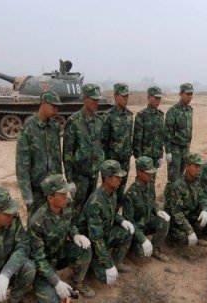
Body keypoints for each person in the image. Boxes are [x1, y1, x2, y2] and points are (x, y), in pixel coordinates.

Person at [28, 174, 95, 303]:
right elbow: (38, 259)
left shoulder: (67, 205)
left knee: (85, 248)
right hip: (44, 264)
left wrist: (76, 235)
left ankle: (78, 282)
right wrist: (56, 283)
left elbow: (70, 224)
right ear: (50, 198)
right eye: (62, 193)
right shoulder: (37, 222)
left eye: (66, 192)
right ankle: (55, 292)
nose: (66, 196)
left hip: (60, 252)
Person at [77, 160, 135, 285]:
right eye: (117, 177)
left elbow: (112, 214)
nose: (121, 180)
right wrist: (108, 265)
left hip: (105, 234)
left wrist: (122, 220)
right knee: (106, 279)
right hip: (91, 244)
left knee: (127, 231)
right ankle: (81, 278)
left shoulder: (111, 193)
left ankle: (116, 262)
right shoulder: (95, 202)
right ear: (107, 179)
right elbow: (96, 239)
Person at [16, 91, 64, 219]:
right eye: (53, 106)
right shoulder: (29, 128)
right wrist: (27, 195)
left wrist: (61, 184)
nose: (56, 110)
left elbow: (57, 159)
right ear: (43, 103)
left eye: (57, 107)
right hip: (37, 189)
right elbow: (22, 165)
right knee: (36, 224)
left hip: (54, 188)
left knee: (54, 223)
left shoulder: (54, 127)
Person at [63, 83, 105, 218]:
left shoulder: (99, 121)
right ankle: (74, 235)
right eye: (93, 99)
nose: (96, 103)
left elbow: (100, 145)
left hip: (94, 172)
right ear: (85, 99)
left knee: (90, 205)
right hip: (79, 175)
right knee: (77, 208)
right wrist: (69, 180)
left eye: (98, 100)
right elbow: (67, 152)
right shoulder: (73, 121)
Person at [123, 156, 171, 262]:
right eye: (148, 172)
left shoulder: (149, 186)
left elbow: (151, 203)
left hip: (148, 223)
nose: (151, 175)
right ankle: (132, 250)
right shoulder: (130, 194)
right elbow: (129, 221)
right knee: (142, 257)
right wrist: (142, 238)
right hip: (136, 230)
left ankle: (156, 248)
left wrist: (158, 211)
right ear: (139, 172)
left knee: (164, 221)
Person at [164, 153, 207, 247]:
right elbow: (176, 213)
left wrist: (205, 210)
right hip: (176, 221)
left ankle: (196, 236)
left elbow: (202, 197)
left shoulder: (196, 180)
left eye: (199, 166)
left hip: (189, 214)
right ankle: (171, 240)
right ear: (187, 167)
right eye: (196, 166)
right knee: (184, 238)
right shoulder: (178, 186)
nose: (198, 169)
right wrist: (189, 231)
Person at [102, 83, 134, 210]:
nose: (126, 99)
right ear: (115, 96)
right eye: (123, 96)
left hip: (125, 161)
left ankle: (116, 217)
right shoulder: (108, 116)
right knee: (109, 192)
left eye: (127, 96)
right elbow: (103, 141)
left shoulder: (129, 115)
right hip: (112, 163)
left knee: (120, 192)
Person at [133, 86, 165, 184]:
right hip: (144, 157)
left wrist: (160, 155)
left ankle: (150, 199)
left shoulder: (160, 115)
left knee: (152, 182)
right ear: (148, 97)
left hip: (155, 156)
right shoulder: (142, 115)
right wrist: (139, 158)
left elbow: (160, 137)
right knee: (141, 183)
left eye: (159, 98)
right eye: (155, 98)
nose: (158, 101)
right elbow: (137, 139)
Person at [164, 83, 193, 184]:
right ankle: (169, 199)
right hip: (175, 149)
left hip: (185, 149)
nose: (189, 97)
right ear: (180, 94)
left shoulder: (190, 111)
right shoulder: (173, 111)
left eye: (191, 94)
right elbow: (167, 132)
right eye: (187, 94)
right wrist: (168, 152)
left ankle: (178, 199)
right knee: (173, 178)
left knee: (182, 177)